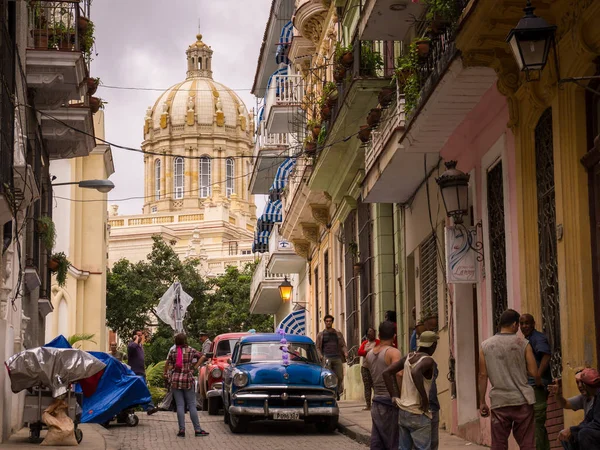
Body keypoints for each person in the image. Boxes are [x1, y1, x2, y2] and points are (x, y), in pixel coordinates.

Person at [478, 309, 538, 450]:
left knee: (499, 444)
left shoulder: (485, 346)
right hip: (523, 400)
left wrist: (482, 402)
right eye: (518, 325)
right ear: (514, 324)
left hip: (500, 402)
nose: (518, 329)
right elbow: (534, 372)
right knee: (527, 444)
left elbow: (482, 375)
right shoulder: (523, 344)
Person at [383, 330, 439, 450]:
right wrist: (424, 398)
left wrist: (394, 396)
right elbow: (415, 371)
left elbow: (387, 373)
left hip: (404, 411)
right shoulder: (428, 360)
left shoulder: (408, 357)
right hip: (418, 412)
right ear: (433, 345)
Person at [165, 333, 209, 438]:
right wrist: (195, 367)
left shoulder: (173, 351)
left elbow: (169, 364)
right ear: (185, 341)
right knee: (191, 405)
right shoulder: (191, 350)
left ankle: (181, 430)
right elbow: (203, 356)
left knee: (180, 405)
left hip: (175, 380)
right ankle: (197, 430)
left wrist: (169, 371)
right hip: (187, 380)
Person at [366, 321, 401, 449]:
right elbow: (399, 375)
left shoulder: (369, 354)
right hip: (389, 402)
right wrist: (400, 396)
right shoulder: (393, 352)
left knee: (378, 440)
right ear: (394, 336)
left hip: (377, 402)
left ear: (379, 335)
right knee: (393, 441)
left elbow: (369, 377)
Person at [520, 313, 552, 450]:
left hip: (537, 386)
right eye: (521, 323)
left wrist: (537, 376)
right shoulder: (528, 339)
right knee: (537, 424)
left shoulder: (537, 338)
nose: (524, 326)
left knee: (536, 423)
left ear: (533, 324)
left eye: (527, 323)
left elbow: (546, 355)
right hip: (533, 385)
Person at [550, 368, 600, 449]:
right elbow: (587, 420)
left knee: (584, 434)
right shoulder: (589, 397)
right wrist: (571, 430)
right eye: (578, 383)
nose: (580, 386)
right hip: (592, 428)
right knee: (568, 436)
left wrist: (574, 430)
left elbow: (597, 423)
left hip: (594, 431)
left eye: (582, 383)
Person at [315, 314, 348, 398]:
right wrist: (321, 356)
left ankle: (337, 391)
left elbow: (343, 345)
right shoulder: (320, 334)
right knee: (328, 376)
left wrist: (345, 352)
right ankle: (331, 392)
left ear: (332, 322)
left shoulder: (338, 334)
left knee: (340, 376)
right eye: (327, 321)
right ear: (325, 322)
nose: (328, 323)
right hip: (327, 358)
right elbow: (317, 347)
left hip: (337, 357)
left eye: (330, 321)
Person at [128, 330, 158, 415]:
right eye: (138, 335)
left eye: (141, 335)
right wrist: (136, 339)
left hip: (141, 372)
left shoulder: (140, 346)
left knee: (142, 390)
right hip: (134, 373)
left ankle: (149, 408)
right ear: (134, 336)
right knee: (140, 390)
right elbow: (132, 347)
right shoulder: (132, 345)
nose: (140, 337)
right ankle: (149, 407)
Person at [357, 327, 380, 411]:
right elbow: (359, 352)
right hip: (365, 367)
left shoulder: (378, 342)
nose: (370, 334)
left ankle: (377, 403)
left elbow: (378, 351)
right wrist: (368, 352)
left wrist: (367, 352)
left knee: (375, 385)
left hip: (375, 368)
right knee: (367, 386)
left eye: (372, 332)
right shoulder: (365, 343)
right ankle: (368, 405)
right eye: (369, 332)